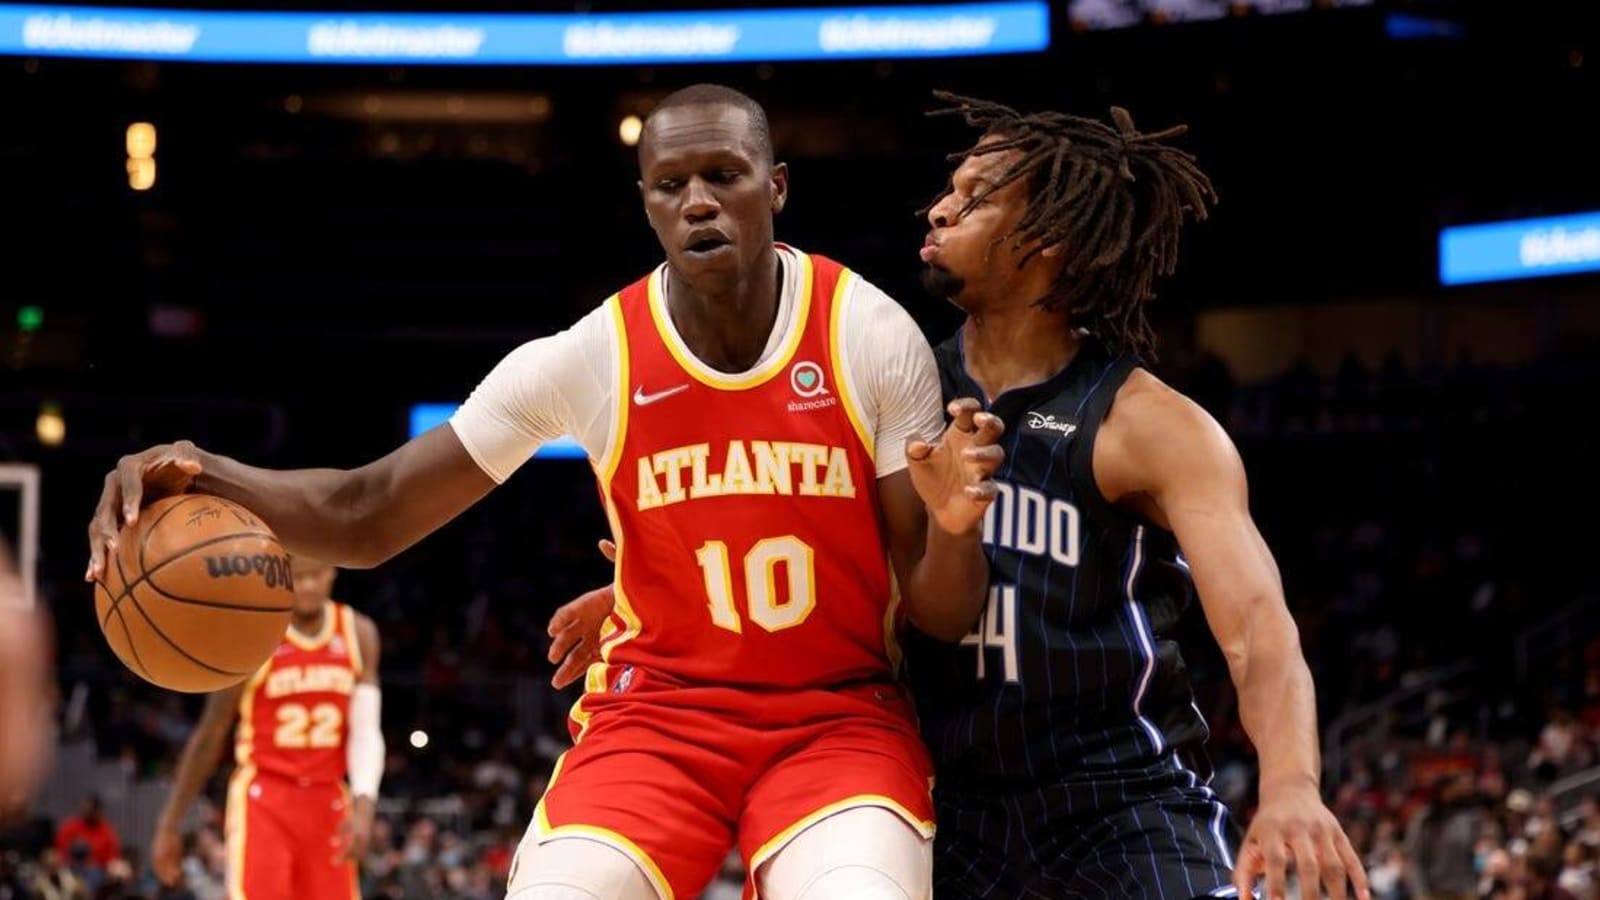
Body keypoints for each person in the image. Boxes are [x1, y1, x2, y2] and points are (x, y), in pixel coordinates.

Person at [87, 83, 1003, 900]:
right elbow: (367, 515)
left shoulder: (869, 335)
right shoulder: (594, 356)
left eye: (724, 174)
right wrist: (205, 468)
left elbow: (937, 611)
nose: (697, 203)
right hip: (658, 719)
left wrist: (958, 531)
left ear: (777, 187)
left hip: (836, 719)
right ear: (644, 204)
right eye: (669, 184)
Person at [549, 90, 1373, 900]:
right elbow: (786, 532)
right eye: (949, 191)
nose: (938, 210)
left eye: (974, 199)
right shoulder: (888, 379)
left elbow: (1257, 627)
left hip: (1120, 795)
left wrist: (1293, 783)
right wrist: (642, 596)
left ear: (1049, 239)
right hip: (949, 801)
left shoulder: (1147, 424)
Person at [149, 558, 383, 900]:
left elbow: (366, 732)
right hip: (266, 797)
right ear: (280, 577)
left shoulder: (358, 632)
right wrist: (170, 822)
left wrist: (364, 809)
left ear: (333, 572)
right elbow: (210, 734)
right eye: (298, 578)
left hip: (328, 796)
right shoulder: (252, 635)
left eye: (316, 574)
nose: (307, 586)